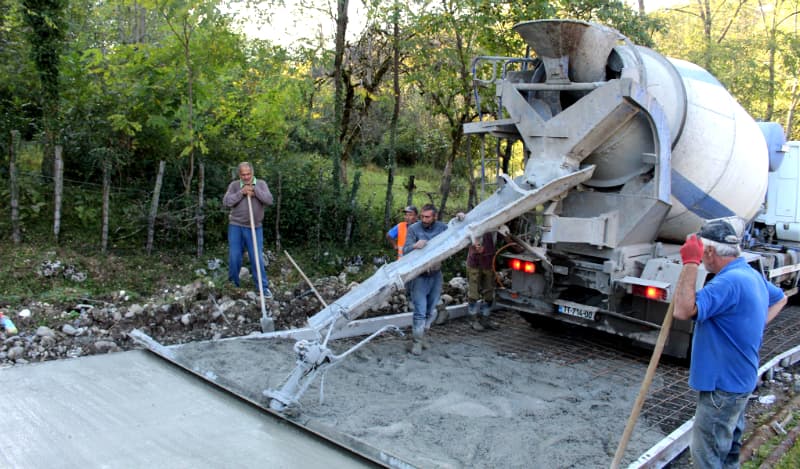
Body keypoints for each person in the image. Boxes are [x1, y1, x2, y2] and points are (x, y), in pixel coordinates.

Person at [674, 219, 786, 468]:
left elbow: (683, 310)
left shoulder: (728, 282)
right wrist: (754, 325)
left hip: (722, 387)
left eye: (702, 252)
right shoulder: (749, 274)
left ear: (709, 251)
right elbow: (780, 299)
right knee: (728, 453)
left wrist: (690, 263)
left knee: (707, 456)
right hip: (740, 380)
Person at [403, 203, 464, 355]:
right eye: (422, 216)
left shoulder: (442, 228)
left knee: (430, 310)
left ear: (435, 217)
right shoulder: (414, 229)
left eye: (427, 217)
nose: (424, 219)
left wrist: (461, 218)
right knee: (420, 310)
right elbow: (405, 250)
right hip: (419, 276)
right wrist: (415, 246)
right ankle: (416, 342)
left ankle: (422, 336)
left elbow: (457, 231)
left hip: (436, 274)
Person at [223, 162, 274, 299]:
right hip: (236, 226)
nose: (246, 177)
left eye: (248, 174)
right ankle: (233, 286)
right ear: (239, 175)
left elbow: (269, 200)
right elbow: (226, 202)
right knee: (234, 256)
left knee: (256, 257)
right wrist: (242, 192)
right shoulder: (234, 185)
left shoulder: (261, 184)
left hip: (255, 227)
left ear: (252, 173)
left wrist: (255, 191)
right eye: (243, 174)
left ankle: (262, 287)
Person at [466, 226, 510, 331]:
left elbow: (505, 235)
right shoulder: (474, 223)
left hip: (488, 264)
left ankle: (485, 319)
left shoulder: (495, 224)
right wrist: (475, 244)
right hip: (474, 264)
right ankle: (473, 320)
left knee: (489, 294)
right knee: (473, 294)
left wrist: (506, 233)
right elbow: (466, 236)